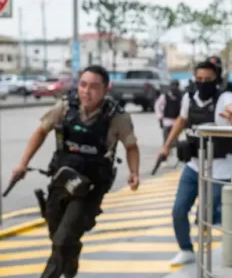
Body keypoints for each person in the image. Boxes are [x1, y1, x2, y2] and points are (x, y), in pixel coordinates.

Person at [9, 65, 140, 278]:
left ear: (106, 89)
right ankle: (71, 258)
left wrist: (134, 172)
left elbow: (131, 146)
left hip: (90, 187)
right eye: (83, 85)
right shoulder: (65, 107)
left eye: (94, 87)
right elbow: (41, 132)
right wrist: (23, 163)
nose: (86, 91)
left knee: (63, 238)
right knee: (56, 234)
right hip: (61, 181)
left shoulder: (117, 117)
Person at [159, 60, 232, 266]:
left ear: (216, 80)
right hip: (194, 164)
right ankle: (186, 249)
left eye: (207, 80)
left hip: (220, 168)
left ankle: (214, 219)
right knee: (179, 210)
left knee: (206, 213)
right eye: (199, 79)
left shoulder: (225, 97)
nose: (202, 83)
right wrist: (166, 146)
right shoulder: (189, 97)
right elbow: (181, 119)